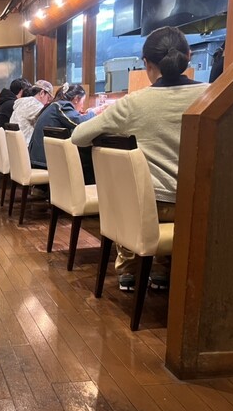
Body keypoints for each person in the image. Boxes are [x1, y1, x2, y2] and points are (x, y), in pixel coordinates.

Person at [71, 26, 208, 291]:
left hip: (149, 206)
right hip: (200, 205)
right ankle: (165, 270)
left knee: (130, 194)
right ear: (189, 56)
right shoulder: (211, 97)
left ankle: (129, 269)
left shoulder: (133, 103)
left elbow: (79, 136)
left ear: (146, 63)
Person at [29, 83, 102, 185]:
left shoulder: (54, 105)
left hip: (38, 158)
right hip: (44, 161)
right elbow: (79, 122)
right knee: (88, 155)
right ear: (76, 99)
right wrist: (95, 112)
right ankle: (85, 191)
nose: (82, 107)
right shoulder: (62, 106)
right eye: (82, 102)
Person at [9, 80, 54, 145]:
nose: (48, 102)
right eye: (48, 98)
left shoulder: (22, 103)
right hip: (27, 147)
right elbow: (49, 123)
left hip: (15, 146)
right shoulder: (35, 105)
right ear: (42, 93)